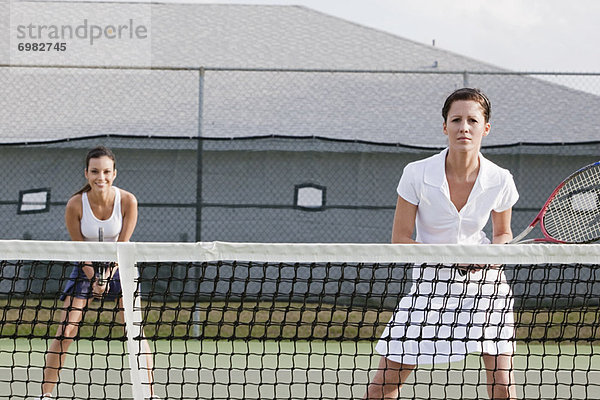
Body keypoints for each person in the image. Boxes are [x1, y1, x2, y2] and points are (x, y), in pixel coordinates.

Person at [365, 88, 519, 399]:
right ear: (445, 126)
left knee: (502, 384)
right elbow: (400, 239)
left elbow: (503, 233)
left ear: (485, 128)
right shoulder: (416, 174)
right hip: (430, 288)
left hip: (486, 291)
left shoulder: (500, 178)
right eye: (456, 119)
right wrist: (452, 259)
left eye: (472, 120)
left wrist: (493, 256)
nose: (464, 127)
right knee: (382, 388)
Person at [38, 146, 157, 399]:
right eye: (94, 171)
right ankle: (45, 395)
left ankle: (149, 394)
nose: (100, 177)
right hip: (85, 266)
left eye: (105, 171)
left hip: (120, 266)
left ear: (114, 174)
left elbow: (123, 246)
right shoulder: (74, 205)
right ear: (86, 173)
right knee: (66, 331)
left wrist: (107, 276)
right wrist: (94, 278)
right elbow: (80, 250)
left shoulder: (128, 201)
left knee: (134, 331)